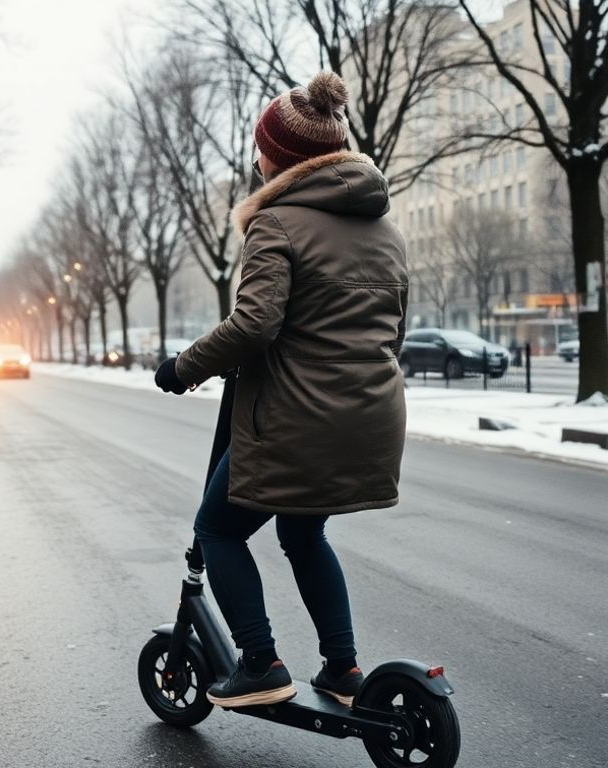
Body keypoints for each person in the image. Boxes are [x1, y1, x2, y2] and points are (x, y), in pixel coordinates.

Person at [154, 71, 408, 710]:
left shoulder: (277, 223)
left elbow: (255, 323)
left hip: (295, 421)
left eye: (260, 146)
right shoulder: (386, 230)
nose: (256, 156)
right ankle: (344, 671)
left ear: (280, 157)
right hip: (370, 417)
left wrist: (182, 368)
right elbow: (393, 333)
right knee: (302, 534)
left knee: (217, 530)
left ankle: (260, 661)